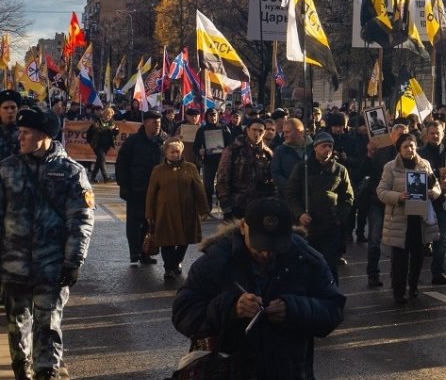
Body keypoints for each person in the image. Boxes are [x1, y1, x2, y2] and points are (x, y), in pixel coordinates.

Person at [172, 197, 346, 379]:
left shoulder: (307, 260)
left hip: (288, 371)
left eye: (275, 246)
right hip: (230, 370)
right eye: (259, 244)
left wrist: (294, 308)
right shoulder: (216, 261)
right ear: (242, 228)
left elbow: (333, 309)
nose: (266, 253)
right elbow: (183, 312)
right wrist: (231, 308)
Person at [0, 108, 94, 380]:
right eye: (20, 131)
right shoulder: (7, 169)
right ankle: (22, 369)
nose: (20, 137)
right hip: (14, 265)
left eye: (26, 132)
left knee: (48, 325)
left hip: (51, 267)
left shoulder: (71, 173)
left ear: (43, 136)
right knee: (17, 326)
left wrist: (73, 262)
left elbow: (81, 221)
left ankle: (46, 373)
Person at [377, 132, 442, 305]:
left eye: (412, 145)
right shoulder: (390, 167)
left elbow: (435, 185)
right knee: (400, 259)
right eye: (405, 146)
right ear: (399, 148)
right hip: (399, 219)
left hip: (419, 219)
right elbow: (381, 192)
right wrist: (399, 196)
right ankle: (399, 291)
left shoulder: (424, 165)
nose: (409, 149)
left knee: (418, 257)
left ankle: (413, 286)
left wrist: (432, 193)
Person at [286, 133, 355, 285]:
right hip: (308, 225)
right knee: (307, 263)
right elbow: (291, 194)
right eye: (324, 146)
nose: (328, 149)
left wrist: (339, 218)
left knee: (329, 265)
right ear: (316, 147)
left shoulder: (339, 170)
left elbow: (348, 197)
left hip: (330, 225)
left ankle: (332, 298)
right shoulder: (302, 168)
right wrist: (300, 214)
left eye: (330, 146)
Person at [145, 137, 209, 280]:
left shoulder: (191, 168)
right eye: (172, 152)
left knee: (184, 240)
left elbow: (199, 190)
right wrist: (149, 213)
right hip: (165, 211)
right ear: (165, 153)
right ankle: (168, 268)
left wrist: (204, 209)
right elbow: (151, 193)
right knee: (166, 241)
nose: (175, 154)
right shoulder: (158, 170)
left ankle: (177, 262)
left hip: (187, 211)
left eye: (178, 152)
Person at [116, 109, 165, 265]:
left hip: (157, 190)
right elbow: (122, 164)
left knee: (150, 223)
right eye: (153, 122)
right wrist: (123, 185)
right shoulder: (133, 141)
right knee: (134, 222)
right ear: (145, 123)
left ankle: (145, 252)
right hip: (136, 189)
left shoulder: (165, 141)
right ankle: (134, 252)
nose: (157, 125)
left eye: (159, 122)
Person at [418, 120, 446, 285]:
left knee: (441, 238)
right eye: (432, 133)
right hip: (425, 200)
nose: (435, 136)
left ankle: (438, 271)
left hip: (443, 200)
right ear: (427, 135)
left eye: (438, 133)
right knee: (420, 237)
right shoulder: (419, 153)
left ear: (443, 134)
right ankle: (414, 271)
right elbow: (415, 174)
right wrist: (436, 173)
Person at [215, 119, 276, 221]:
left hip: (261, 205)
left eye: (260, 131)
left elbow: (272, 181)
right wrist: (226, 207)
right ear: (247, 130)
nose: (257, 133)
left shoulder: (268, 153)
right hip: (238, 204)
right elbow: (222, 179)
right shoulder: (233, 150)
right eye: (254, 130)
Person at [193, 108, 232, 212]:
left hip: (222, 162)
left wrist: (226, 151)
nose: (213, 117)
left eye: (214, 115)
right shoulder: (202, 130)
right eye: (211, 115)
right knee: (208, 187)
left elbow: (231, 145)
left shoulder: (224, 129)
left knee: (223, 186)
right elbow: (195, 147)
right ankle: (208, 209)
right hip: (208, 162)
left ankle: (225, 209)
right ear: (207, 117)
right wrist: (200, 151)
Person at [271, 117, 307, 194]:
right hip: (287, 197)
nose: (284, 135)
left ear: (299, 132)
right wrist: (291, 187)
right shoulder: (280, 151)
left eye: (287, 132)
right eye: (284, 132)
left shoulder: (313, 149)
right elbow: (276, 173)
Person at [83, 106, 118, 183]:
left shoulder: (111, 121)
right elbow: (97, 130)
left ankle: (93, 176)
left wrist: (115, 130)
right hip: (97, 143)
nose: (109, 117)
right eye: (109, 115)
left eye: (111, 116)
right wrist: (108, 128)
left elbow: (114, 132)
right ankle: (106, 177)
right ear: (105, 114)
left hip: (106, 144)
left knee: (99, 160)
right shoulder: (97, 120)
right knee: (102, 159)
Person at [0, 89, 22, 161]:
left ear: (18, 109)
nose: (10, 111)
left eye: (13, 107)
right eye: (5, 108)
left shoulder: (24, 131)